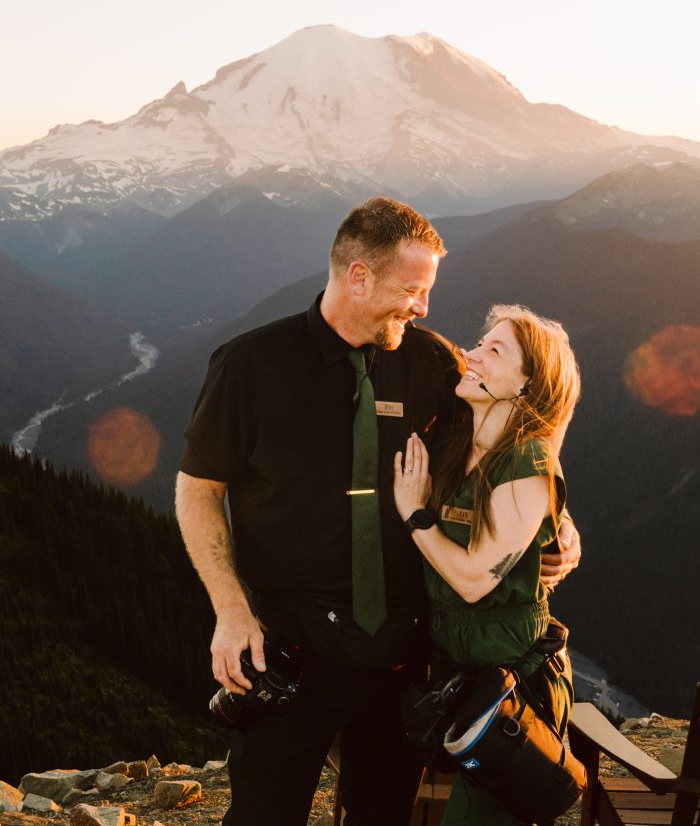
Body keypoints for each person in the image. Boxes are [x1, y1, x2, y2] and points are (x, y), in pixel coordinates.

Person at [175, 198, 580, 826]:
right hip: (291, 650)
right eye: (413, 290)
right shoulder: (250, 364)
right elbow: (198, 488)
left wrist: (562, 525)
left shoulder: (432, 363)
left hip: (405, 661)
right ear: (359, 276)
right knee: (262, 813)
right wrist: (230, 610)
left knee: (382, 815)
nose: (422, 307)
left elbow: (502, 448)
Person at [393, 304, 581, 825]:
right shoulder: (461, 444)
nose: (470, 355)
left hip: (512, 688)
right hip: (457, 675)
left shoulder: (526, 460)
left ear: (527, 386)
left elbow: (476, 581)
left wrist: (415, 515)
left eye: (494, 351)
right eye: (480, 343)